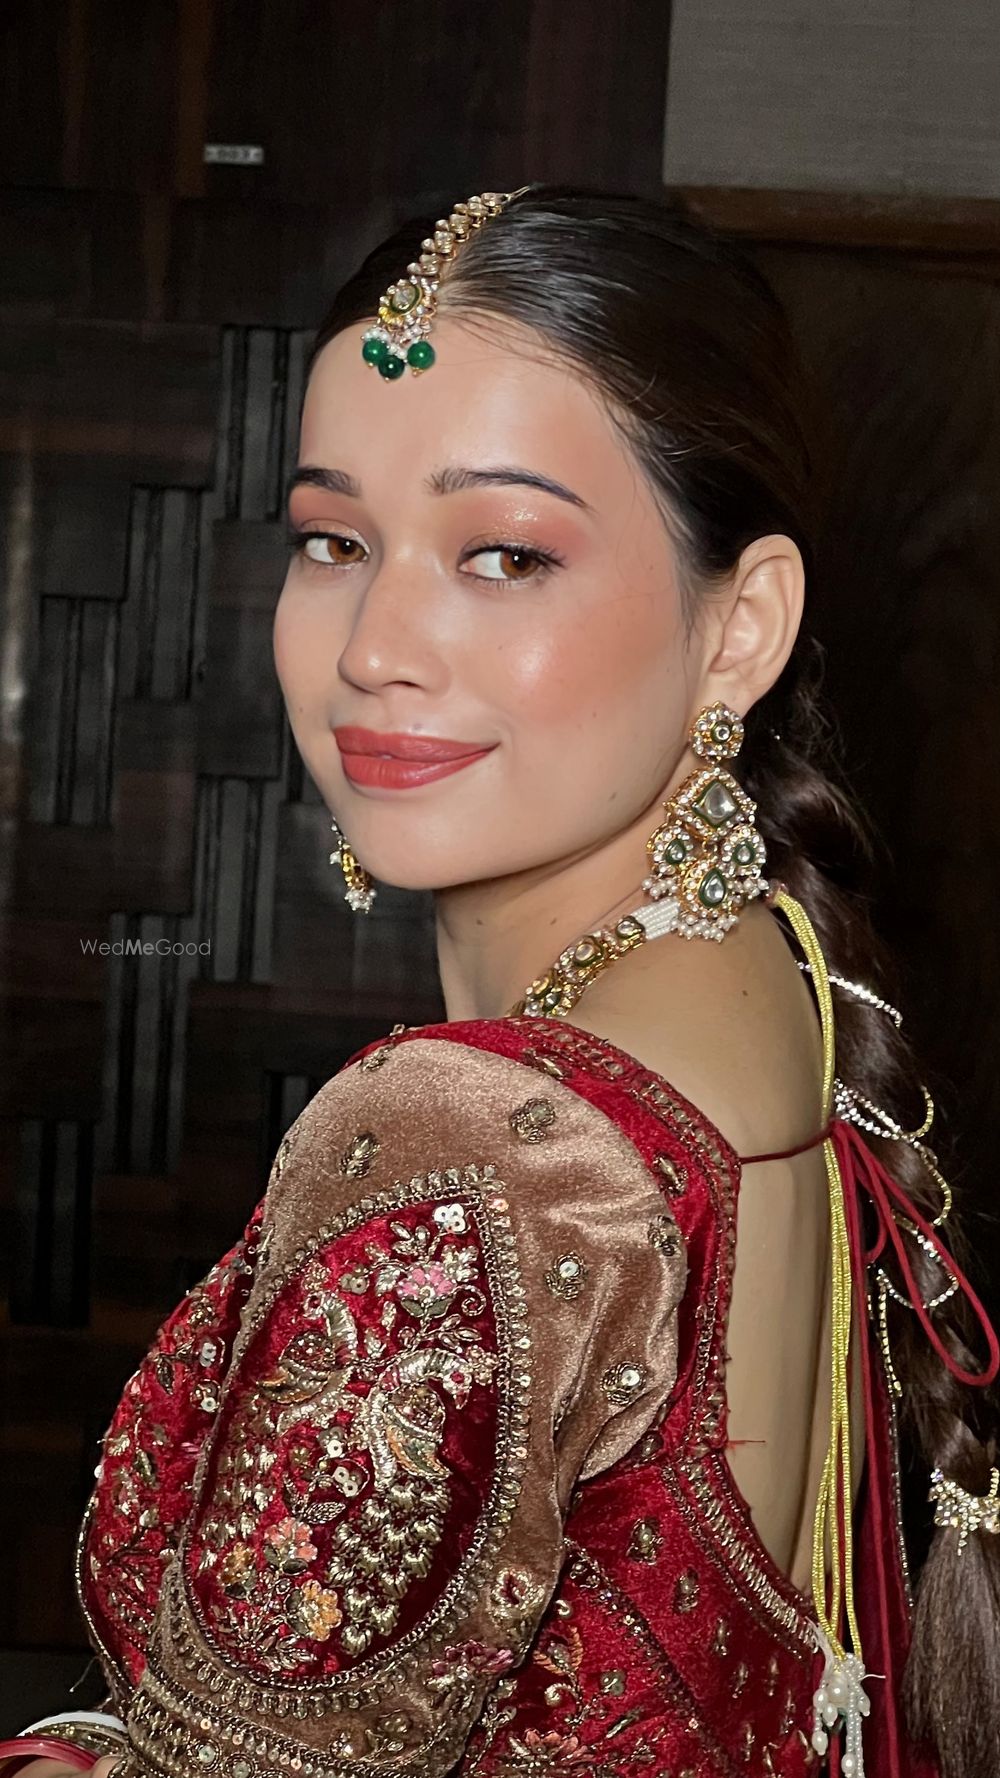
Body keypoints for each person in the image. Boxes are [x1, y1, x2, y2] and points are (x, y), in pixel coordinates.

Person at [4, 186, 999, 1778]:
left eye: (505, 554)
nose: (374, 645)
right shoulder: (770, 970)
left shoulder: (479, 1142)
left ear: (740, 628)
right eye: (334, 540)